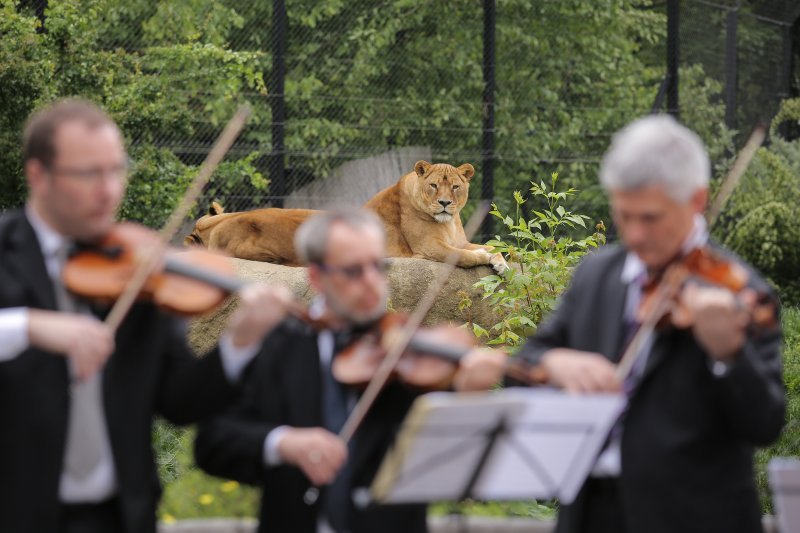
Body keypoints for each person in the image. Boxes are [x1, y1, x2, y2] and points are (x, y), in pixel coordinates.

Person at [0, 99, 293, 533]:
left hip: (117, 517)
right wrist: (28, 326)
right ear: (39, 176)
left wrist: (240, 341)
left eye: (116, 170)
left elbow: (180, 401)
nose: (109, 190)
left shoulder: (136, 268)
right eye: (88, 174)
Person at [512, 115, 785, 533]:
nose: (635, 235)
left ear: (697, 200)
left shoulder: (744, 292)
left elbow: (764, 423)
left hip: (691, 520)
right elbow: (524, 363)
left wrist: (729, 356)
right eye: (624, 216)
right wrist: (555, 364)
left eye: (651, 218)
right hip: (593, 515)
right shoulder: (597, 275)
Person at [194, 209, 505, 533]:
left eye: (377, 266)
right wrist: (282, 443)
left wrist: (465, 396)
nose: (372, 282)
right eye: (354, 271)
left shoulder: (407, 356)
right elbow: (212, 443)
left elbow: (447, 463)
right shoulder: (278, 346)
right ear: (316, 278)